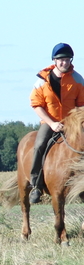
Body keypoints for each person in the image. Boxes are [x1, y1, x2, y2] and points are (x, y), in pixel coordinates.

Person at [28, 43, 84, 203]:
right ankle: (36, 184)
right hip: (49, 122)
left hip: (72, 124)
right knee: (39, 145)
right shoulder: (41, 81)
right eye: (61, 60)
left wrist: (74, 122)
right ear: (54, 60)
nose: (64, 63)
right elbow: (36, 105)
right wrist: (52, 123)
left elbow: (82, 105)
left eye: (67, 60)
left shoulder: (78, 80)